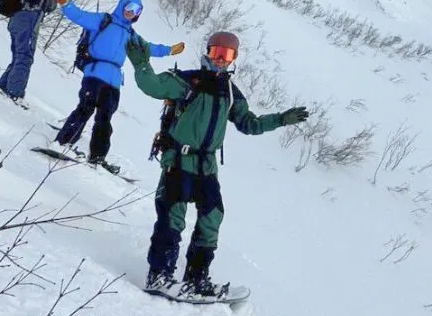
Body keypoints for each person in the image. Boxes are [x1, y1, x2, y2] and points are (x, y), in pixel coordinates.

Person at [125, 31, 309, 301]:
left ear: (234, 58)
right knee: (172, 218)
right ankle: (159, 276)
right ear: (208, 52)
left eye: (227, 55)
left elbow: (249, 124)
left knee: (212, 219)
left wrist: (280, 119)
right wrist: (141, 63)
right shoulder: (187, 81)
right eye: (217, 53)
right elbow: (152, 86)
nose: (221, 60)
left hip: (207, 167)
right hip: (179, 161)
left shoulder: (231, 94)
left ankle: (196, 279)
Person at [48, 0, 185, 173]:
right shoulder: (104, 20)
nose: (132, 12)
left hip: (113, 82)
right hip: (95, 74)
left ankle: (97, 157)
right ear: (122, 6)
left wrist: (169, 50)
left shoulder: (131, 35)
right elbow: (79, 16)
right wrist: (66, 2)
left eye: (137, 11)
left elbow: (148, 48)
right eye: (130, 7)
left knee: (105, 119)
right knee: (85, 109)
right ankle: (63, 142)